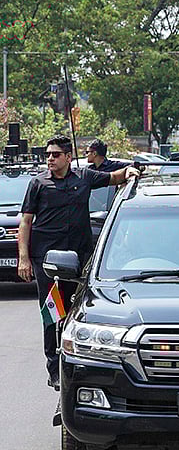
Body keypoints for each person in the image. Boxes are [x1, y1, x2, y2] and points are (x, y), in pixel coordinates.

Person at [18, 135, 140, 389]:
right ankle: (54, 367)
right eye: (48, 155)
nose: (50, 159)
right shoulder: (37, 184)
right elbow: (26, 222)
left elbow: (113, 177)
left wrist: (128, 171)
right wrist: (24, 258)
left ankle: (75, 362)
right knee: (51, 313)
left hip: (79, 260)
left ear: (68, 158)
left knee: (77, 313)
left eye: (55, 155)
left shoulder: (84, 178)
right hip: (46, 260)